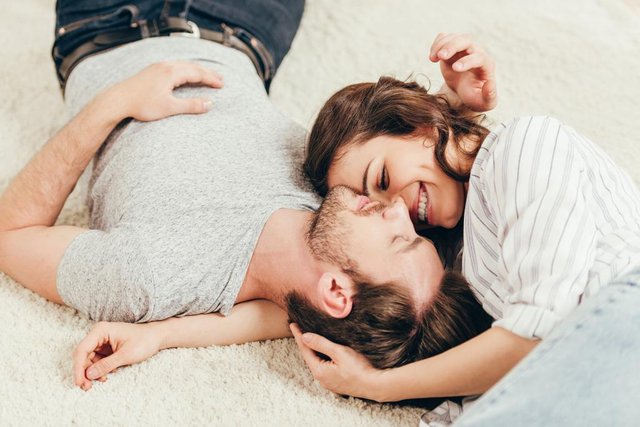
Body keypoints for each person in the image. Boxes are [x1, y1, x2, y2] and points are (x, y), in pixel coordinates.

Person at [0, 3, 491, 391]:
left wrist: (113, 104)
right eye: (416, 232)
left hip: (105, 25)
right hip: (248, 26)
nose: (401, 215)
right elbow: (411, 153)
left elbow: (11, 232)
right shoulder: (336, 194)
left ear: (337, 292)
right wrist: (464, 108)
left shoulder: (147, 277)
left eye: (401, 241)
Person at [292, 32, 640, 423]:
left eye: (384, 179)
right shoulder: (455, 250)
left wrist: (375, 384)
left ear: (418, 125)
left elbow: (535, 334)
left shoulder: (525, 144)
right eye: (374, 205)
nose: (399, 212)